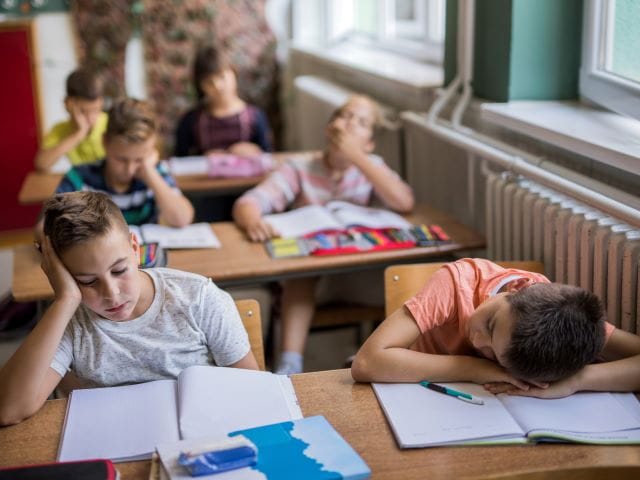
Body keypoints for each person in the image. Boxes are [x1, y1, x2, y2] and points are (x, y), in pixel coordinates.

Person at [0, 192, 258, 426]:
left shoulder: (198, 297)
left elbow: (252, 389)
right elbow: (9, 410)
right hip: (114, 442)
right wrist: (65, 299)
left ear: (135, 249)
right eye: (88, 281)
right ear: (63, 276)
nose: (111, 294)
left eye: (119, 270)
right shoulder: (69, 319)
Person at [233, 94, 414, 375]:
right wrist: (253, 219)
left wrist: (357, 156)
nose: (351, 123)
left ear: (369, 142)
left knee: (406, 279)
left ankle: (384, 357)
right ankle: (290, 365)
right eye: (345, 115)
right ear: (330, 127)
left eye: (362, 122)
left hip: (359, 277)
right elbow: (248, 203)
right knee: (302, 273)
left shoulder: (371, 166)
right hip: (314, 285)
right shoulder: (299, 168)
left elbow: (404, 202)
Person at [351, 258, 640, 399]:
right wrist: (479, 368)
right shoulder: (458, 282)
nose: (477, 340)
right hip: (410, 390)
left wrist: (577, 380)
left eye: (493, 354)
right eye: (491, 323)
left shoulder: (572, 326)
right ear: (517, 287)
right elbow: (367, 362)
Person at [36, 98, 193, 240]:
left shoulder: (153, 171)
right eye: (121, 159)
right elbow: (43, 229)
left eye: (139, 159)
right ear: (105, 142)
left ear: (151, 150)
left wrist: (150, 173)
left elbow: (182, 218)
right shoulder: (80, 177)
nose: (130, 169)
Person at [174, 42, 272, 157]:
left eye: (222, 77)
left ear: (234, 73)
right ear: (200, 86)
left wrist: (255, 151)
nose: (217, 86)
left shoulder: (255, 117)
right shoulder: (190, 121)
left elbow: (268, 157)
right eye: (209, 82)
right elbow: (180, 160)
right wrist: (203, 157)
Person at [35, 67, 108, 171]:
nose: (91, 118)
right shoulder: (60, 130)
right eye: (83, 111)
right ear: (68, 104)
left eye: (96, 110)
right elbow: (41, 164)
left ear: (101, 102)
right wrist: (79, 134)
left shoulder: (111, 124)